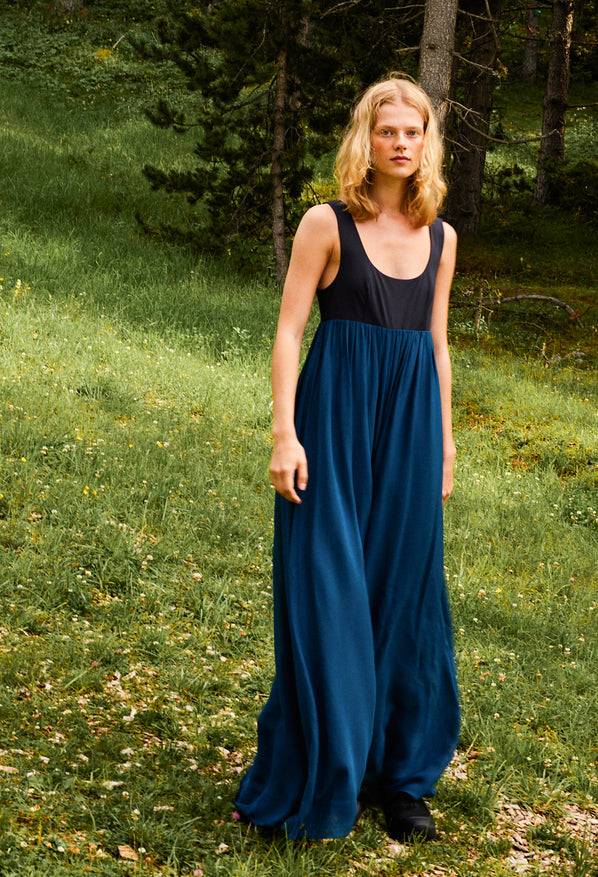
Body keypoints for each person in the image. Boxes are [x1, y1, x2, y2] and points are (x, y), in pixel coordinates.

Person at [235, 74, 460, 842]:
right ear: (367, 138)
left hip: (411, 432)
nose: (401, 143)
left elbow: (437, 346)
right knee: (327, 594)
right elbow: (289, 331)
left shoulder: (441, 238)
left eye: (413, 131)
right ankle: (320, 768)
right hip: (331, 426)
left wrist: (445, 443)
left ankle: (400, 780)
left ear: (427, 142)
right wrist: (284, 433)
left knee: (403, 600)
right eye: (388, 130)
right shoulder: (325, 223)